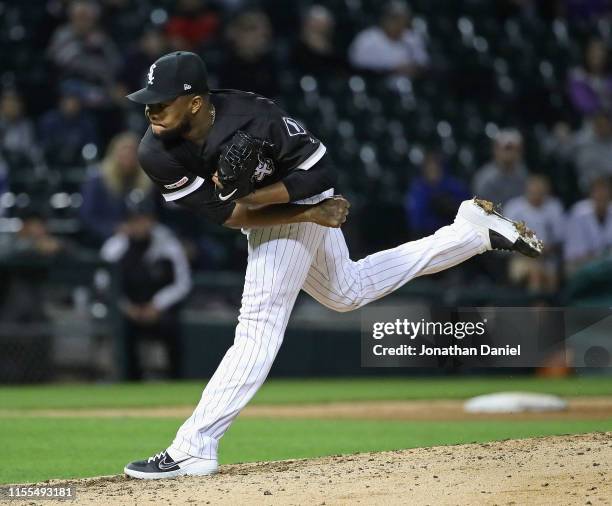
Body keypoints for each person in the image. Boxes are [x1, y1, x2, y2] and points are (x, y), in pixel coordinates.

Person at [122, 51, 542, 479]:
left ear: (194, 102)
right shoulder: (156, 153)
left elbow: (321, 173)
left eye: (162, 101)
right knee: (347, 291)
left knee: (258, 325)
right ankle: (470, 233)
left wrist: (297, 206)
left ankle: (195, 446)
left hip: (299, 196)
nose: (151, 110)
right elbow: (227, 216)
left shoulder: (257, 117)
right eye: (148, 101)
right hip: (285, 213)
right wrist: (293, 213)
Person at [100, 202, 191, 380]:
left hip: (160, 311)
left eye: (143, 219)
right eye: (134, 220)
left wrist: (157, 304)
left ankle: (177, 380)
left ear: (152, 221)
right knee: (122, 331)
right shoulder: (114, 248)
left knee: (172, 327)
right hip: (126, 311)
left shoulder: (168, 244)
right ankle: (129, 382)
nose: (139, 225)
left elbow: (182, 283)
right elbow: (103, 284)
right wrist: (127, 307)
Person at [79, 131, 153, 244]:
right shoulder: (98, 179)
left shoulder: (146, 179)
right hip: (109, 238)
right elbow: (87, 216)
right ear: (114, 154)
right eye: (124, 152)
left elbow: (154, 211)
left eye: (133, 152)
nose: (128, 156)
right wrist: (113, 228)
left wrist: (146, 224)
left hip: (143, 235)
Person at [504, 175, 566, 292]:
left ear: (546, 192)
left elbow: (560, 238)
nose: (537, 195)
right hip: (519, 258)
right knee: (535, 274)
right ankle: (537, 309)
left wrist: (545, 249)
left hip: (547, 258)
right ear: (527, 191)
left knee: (551, 275)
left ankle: (549, 308)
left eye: (540, 192)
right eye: (533, 192)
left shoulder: (554, 206)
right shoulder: (514, 207)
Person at [348, 0, 429, 79]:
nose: (399, 23)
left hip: (409, 82)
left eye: (403, 19)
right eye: (394, 19)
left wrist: (414, 68)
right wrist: (391, 68)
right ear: (384, 19)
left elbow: (423, 62)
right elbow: (356, 63)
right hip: (377, 84)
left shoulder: (412, 38)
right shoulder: (367, 38)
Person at [405, 150, 470, 236]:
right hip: (426, 236)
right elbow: (416, 222)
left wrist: (450, 206)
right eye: (430, 167)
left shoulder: (453, 185)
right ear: (424, 169)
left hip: (453, 233)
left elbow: (467, 209)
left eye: (435, 167)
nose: (433, 170)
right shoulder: (418, 189)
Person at [218, 10, 280, 98]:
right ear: (235, 33)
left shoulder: (274, 65)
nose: (262, 34)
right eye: (252, 28)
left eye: (265, 28)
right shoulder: (223, 68)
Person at [564, 177, 612, 275]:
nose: (601, 195)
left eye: (604, 193)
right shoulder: (579, 213)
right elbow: (575, 253)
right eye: (598, 193)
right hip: (580, 264)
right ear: (591, 194)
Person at [472, 129, 529, 206]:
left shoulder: (523, 173)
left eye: (515, 149)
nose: (510, 153)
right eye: (507, 148)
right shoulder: (485, 178)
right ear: (496, 150)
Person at [292, 5, 348, 77]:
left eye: (323, 24)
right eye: (316, 23)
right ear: (307, 24)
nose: (319, 27)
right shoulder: (298, 50)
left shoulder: (335, 51)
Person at [568, 38, 612, 118]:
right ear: (586, 54)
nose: (597, 56)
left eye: (600, 52)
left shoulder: (608, 74)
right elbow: (585, 105)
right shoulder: (578, 77)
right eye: (593, 53)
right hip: (589, 121)